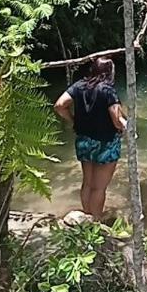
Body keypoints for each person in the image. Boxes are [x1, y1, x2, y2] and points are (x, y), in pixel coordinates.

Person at [54, 58, 127, 218]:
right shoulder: (108, 90)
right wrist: (126, 127)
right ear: (110, 73)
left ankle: (86, 217)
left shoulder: (79, 85)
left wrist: (73, 120)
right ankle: (95, 222)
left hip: (84, 140)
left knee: (88, 182)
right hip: (105, 143)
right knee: (99, 188)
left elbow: (59, 105)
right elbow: (116, 120)